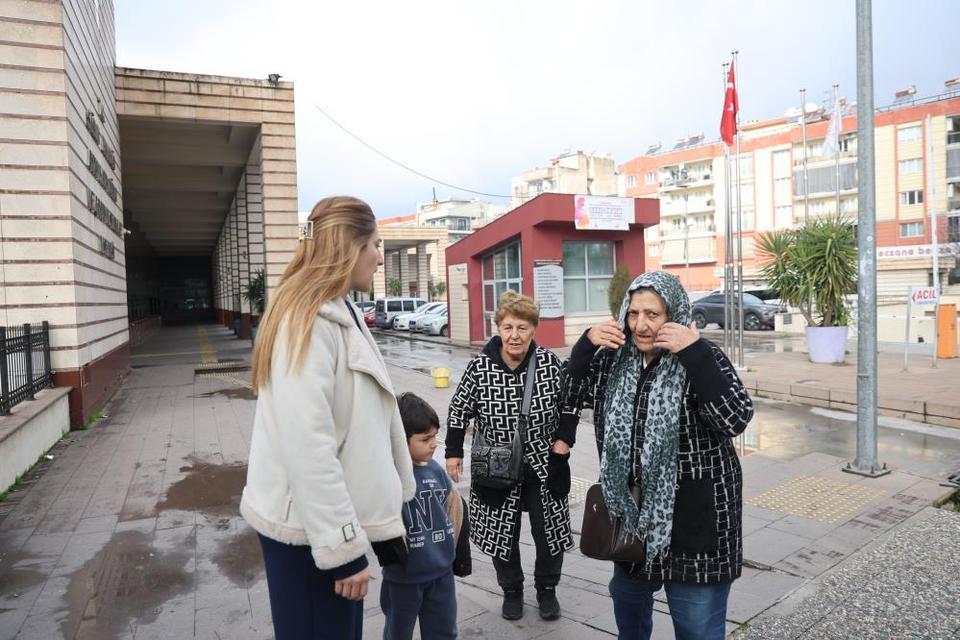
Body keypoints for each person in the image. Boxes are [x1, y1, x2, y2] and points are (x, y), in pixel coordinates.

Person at [240, 196, 416, 640]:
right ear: (349, 247)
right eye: (375, 245)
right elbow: (309, 446)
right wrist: (343, 550)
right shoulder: (308, 320)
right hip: (310, 538)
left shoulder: (339, 310)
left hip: (322, 529)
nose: (380, 257)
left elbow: (355, 428)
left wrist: (380, 525)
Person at [562, 271, 753, 640]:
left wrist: (694, 353)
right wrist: (585, 346)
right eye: (633, 313)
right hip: (631, 520)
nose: (641, 325)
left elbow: (735, 419)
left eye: (653, 314)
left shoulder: (703, 356)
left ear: (675, 315)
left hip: (696, 523)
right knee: (630, 622)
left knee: (697, 630)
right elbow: (567, 395)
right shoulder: (613, 360)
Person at [445, 290, 577, 621]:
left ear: (533, 329)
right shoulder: (480, 366)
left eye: (522, 327)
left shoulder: (548, 363)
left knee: (549, 534)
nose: (514, 335)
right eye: (508, 327)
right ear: (498, 328)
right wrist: (453, 452)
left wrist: (563, 444)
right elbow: (458, 410)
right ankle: (512, 590)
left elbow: (570, 406)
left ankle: (547, 589)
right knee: (502, 533)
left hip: (544, 465)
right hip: (496, 465)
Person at [380, 392, 462, 640]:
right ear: (400, 439)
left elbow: (452, 512)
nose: (434, 444)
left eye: (435, 436)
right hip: (403, 578)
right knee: (398, 632)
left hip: (441, 573)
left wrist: (454, 554)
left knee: (444, 631)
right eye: (425, 439)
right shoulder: (388, 476)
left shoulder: (437, 472)